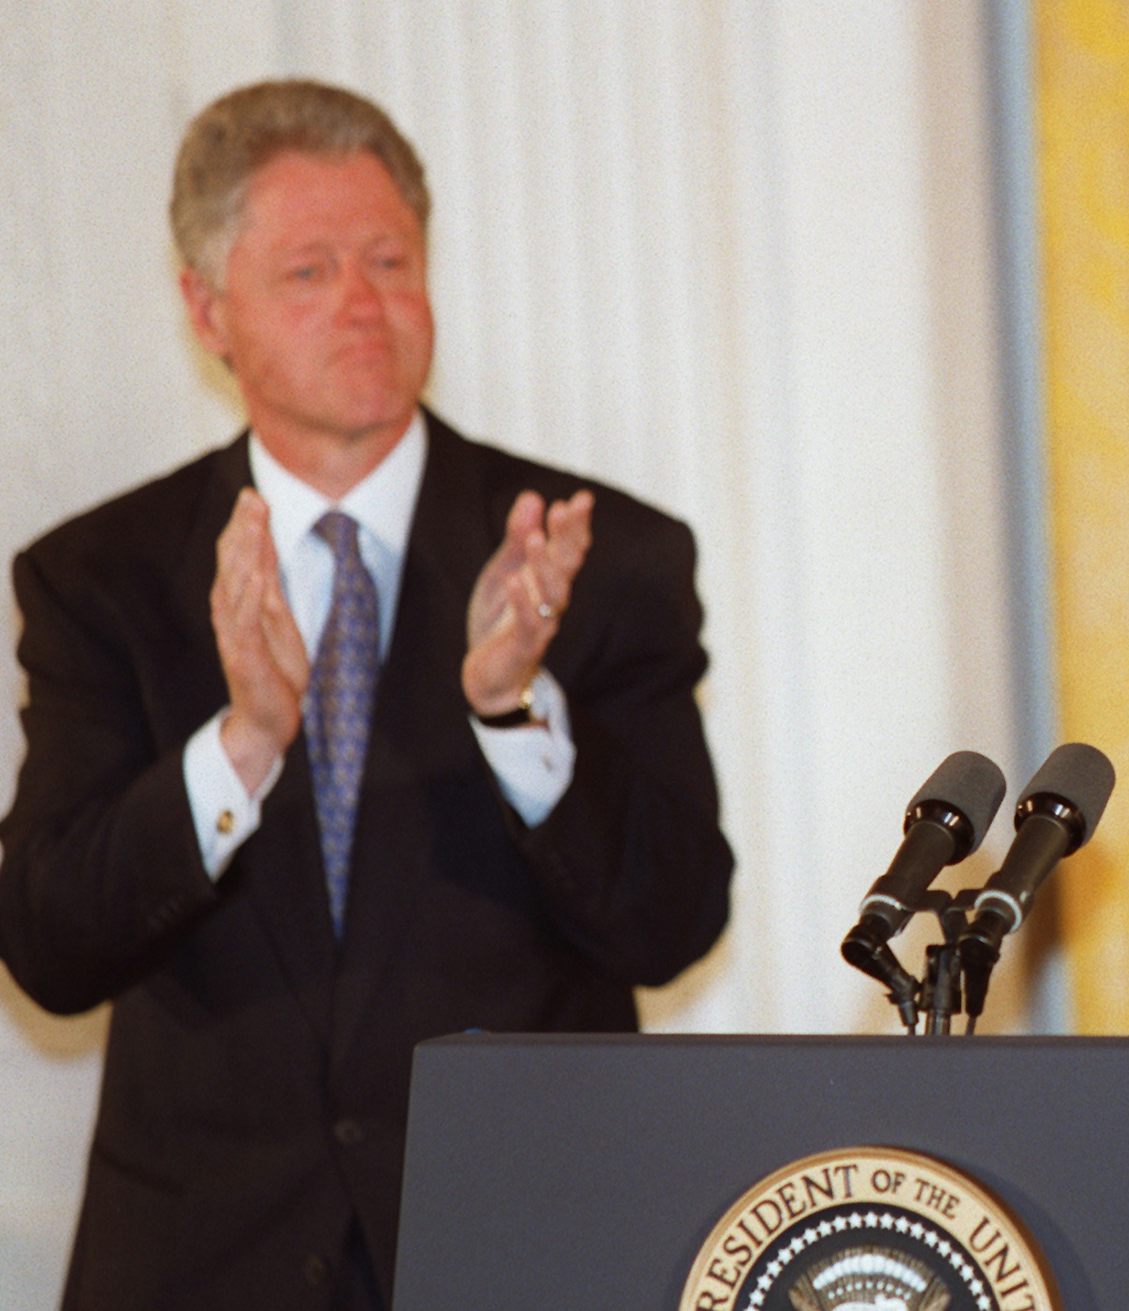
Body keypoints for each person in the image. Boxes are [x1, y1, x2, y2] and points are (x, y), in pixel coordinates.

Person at [0, 80, 733, 1310]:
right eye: (307, 271)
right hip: (201, 1270)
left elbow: (674, 923)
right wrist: (241, 745)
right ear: (206, 309)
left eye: (390, 260)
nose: (361, 303)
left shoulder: (592, 559)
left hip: (527, 1258)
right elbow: (51, 948)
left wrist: (516, 712)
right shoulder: (103, 580)